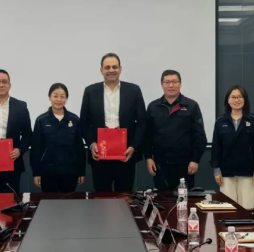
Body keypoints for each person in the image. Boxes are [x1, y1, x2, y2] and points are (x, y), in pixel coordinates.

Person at [80, 53, 146, 192]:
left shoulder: (134, 90)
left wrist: (133, 146)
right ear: (101, 70)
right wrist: (92, 143)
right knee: (101, 196)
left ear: (120, 69)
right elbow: (84, 122)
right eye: (107, 67)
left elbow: (142, 122)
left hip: (126, 153)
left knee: (124, 196)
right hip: (100, 153)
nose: (111, 70)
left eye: (114, 67)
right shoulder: (90, 91)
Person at [144, 70, 207, 191]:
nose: (171, 85)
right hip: (160, 164)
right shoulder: (153, 107)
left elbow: (199, 136)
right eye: (167, 82)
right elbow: (147, 136)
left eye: (174, 82)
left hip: (185, 164)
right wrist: (148, 157)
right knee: (162, 198)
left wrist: (195, 160)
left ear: (180, 84)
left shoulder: (191, 106)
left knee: (184, 199)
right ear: (162, 85)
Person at [211, 85, 254, 209]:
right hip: (226, 173)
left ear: (245, 99)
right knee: (228, 209)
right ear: (228, 100)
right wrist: (216, 170)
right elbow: (216, 147)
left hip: (248, 172)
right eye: (233, 97)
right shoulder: (221, 121)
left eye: (240, 97)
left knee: (246, 208)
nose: (236, 100)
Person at [30, 83, 86, 193]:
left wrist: (81, 172)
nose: (59, 100)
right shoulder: (41, 120)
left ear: (66, 99)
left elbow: (79, 148)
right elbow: (36, 149)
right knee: (49, 202)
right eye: (55, 96)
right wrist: (36, 172)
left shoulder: (74, 119)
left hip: (70, 171)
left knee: (68, 201)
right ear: (49, 97)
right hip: (48, 171)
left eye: (62, 96)